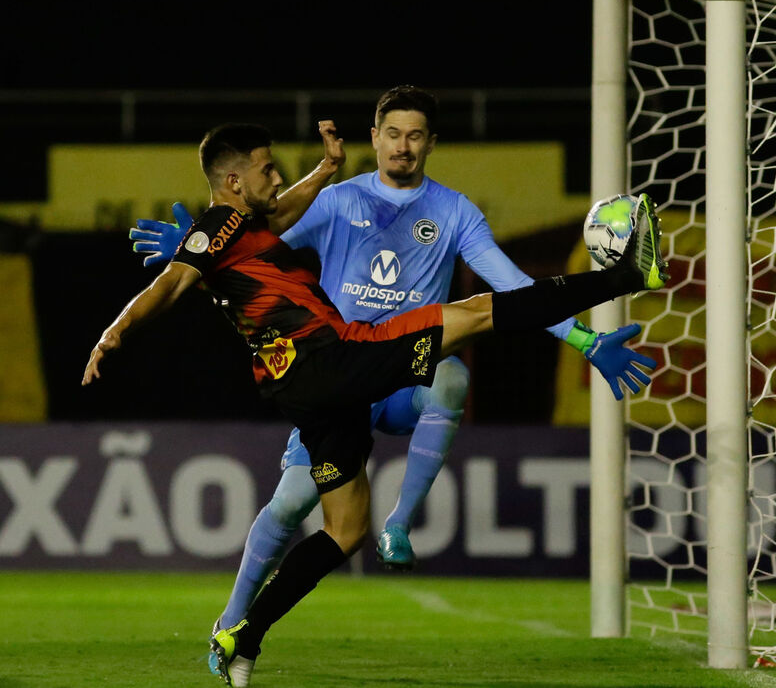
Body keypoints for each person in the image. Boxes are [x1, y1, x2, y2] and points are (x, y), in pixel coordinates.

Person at [85, 120, 668, 687]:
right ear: (234, 182)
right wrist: (115, 331)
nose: (276, 177)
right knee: (481, 313)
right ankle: (626, 276)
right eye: (266, 169)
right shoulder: (219, 225)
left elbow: (278, 213)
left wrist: (323, 170)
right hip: (334, 356)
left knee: (344, 529)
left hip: (304, 392)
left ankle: (241, 632)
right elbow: (169, 285)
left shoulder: (246, 224)